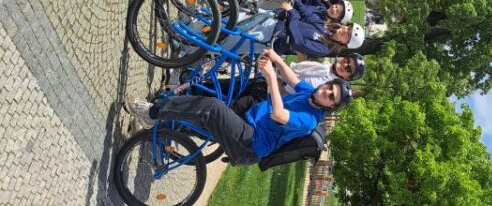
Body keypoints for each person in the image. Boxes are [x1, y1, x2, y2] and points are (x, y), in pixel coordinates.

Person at [125, 49, 352, 165]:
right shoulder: (310, 94)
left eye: (331, 96)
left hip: (250, 144)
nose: (325, 92)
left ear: (331, 106)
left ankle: (152, 113)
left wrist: (272, 78)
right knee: (210, 118)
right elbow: (294, 80)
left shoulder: (310, 119)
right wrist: (277, 59)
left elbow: (280, 114)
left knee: (212, 108)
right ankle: (167, 125)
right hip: (248, 123)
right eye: (329, 88)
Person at [280, 54, 366, 94]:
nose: (345, 64)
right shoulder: (328, 72)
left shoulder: (326, 72)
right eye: (347, 60)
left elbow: (296, 71)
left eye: (348, 69)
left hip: (279, 84)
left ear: (347, 78)